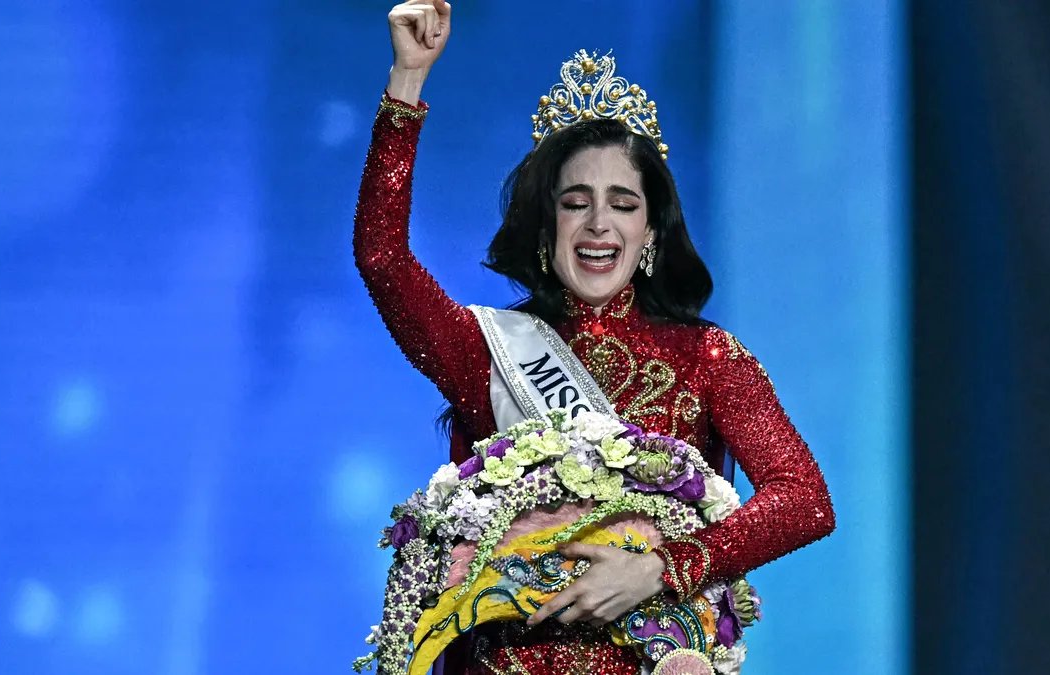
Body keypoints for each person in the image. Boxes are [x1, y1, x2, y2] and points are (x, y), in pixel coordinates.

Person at [354, 1, 836, 672]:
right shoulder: (485, 350)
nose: (598, 224)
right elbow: (382, 259)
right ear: (546, 229)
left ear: (650, 235)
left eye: (623, 203)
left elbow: (804, 499)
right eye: (575, 202)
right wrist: (407, 81)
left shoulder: (706, 357)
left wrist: (663, 568)